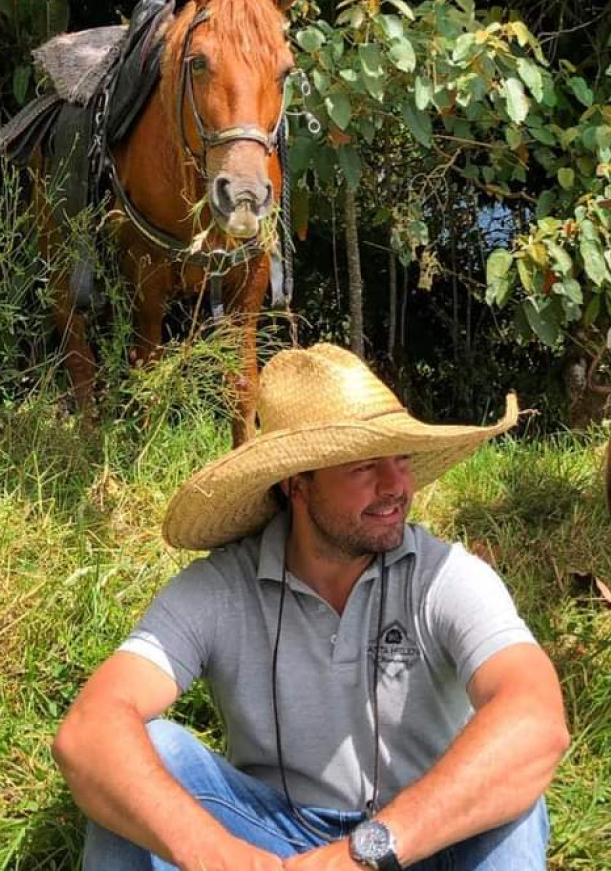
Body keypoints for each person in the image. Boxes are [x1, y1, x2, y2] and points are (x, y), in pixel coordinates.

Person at [53, 344, 570, 870]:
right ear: (297, 483)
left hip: (420, 840)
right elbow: (90, 729)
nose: (396, 486)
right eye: (365, 466)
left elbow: (535, 719)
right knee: (149, 753)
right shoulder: (222, 587)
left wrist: (365, 852)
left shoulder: (445, 577)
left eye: (402, 460)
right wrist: (220, 857)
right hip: (270, 839)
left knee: (515, 799)